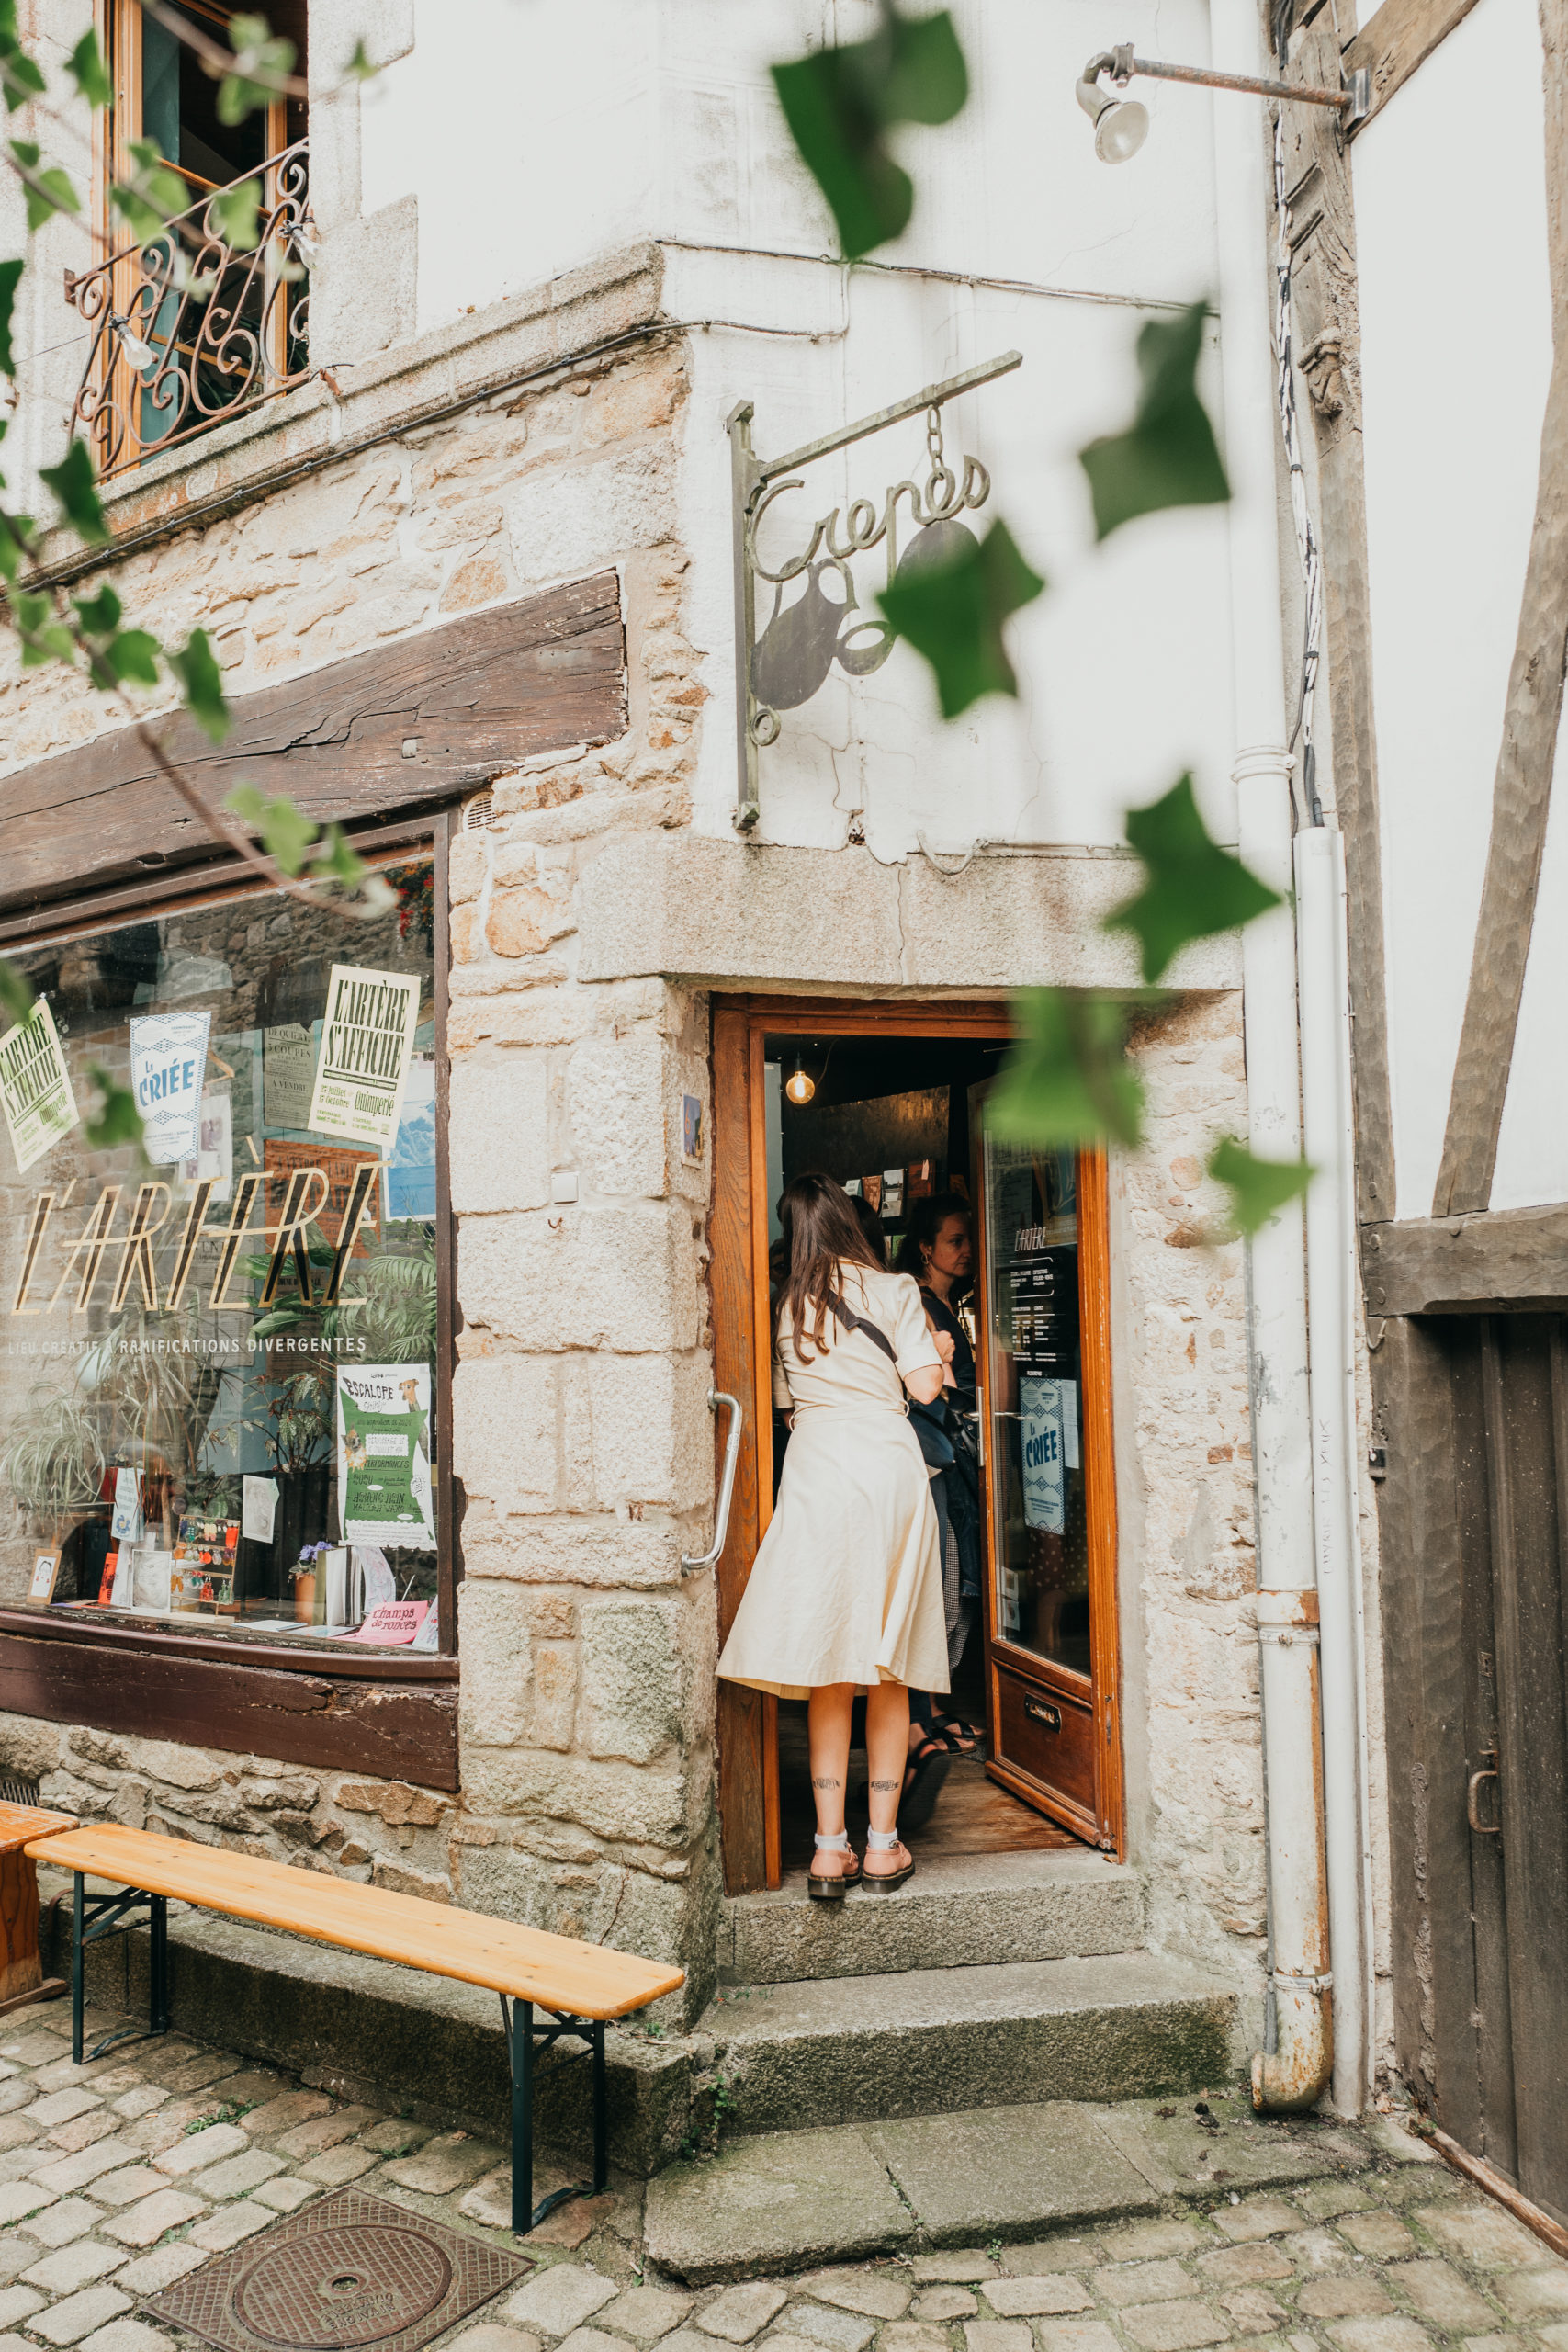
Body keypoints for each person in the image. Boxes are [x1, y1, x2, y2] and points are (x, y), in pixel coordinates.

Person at [718, 1171, 952, 1899]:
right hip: (886, 1467)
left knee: (830, 1663)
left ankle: (827, 1851)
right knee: (888, 1665)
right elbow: (924, 1388)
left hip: (818, 1469)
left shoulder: (785, 1305)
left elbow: (787, 1405)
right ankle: (881, 1847)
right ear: (850, 1221)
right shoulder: (895, 1289)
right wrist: (939, 1347)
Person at [897, 1193, 984, 1755]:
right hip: (938, 1452)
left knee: (949, 1574)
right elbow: (936, 1390)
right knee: (943, 1576)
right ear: (926, 1248)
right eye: (955, 1240)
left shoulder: (949, 1304)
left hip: (952, 1448)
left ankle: (928, 1711)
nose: (968, 1249)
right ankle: (921, 1715)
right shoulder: (919, 1303)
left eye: (969, 1238)